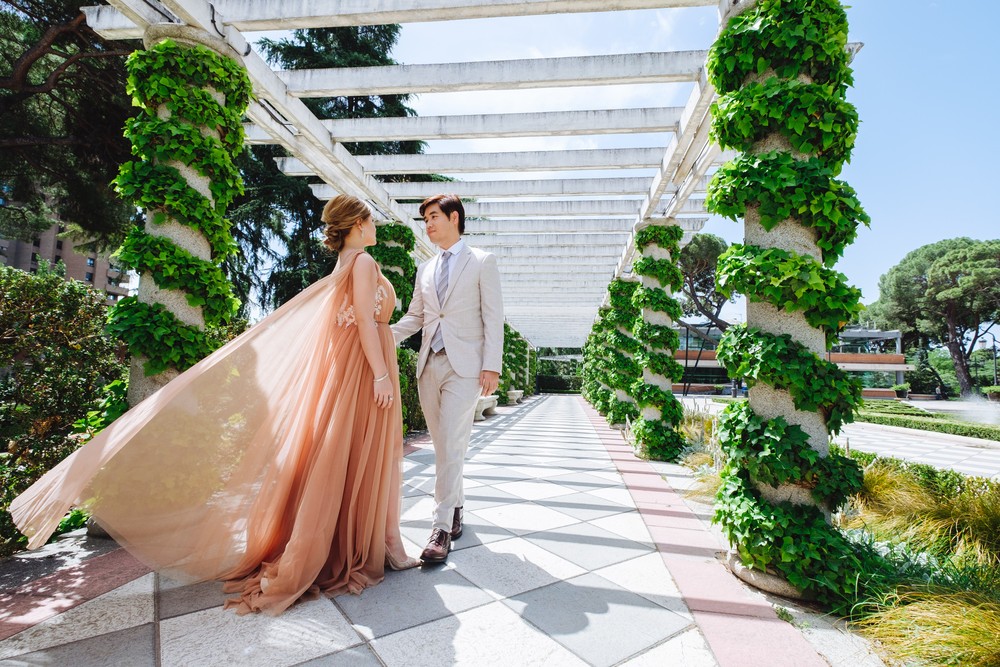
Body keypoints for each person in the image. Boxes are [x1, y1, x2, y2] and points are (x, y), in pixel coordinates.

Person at [9, 194, 419, 616]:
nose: (374, 226)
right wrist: (382, 376)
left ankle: (362, 541)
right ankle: (374, 545)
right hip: (364, 368)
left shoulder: (344, 265)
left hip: (349, 367)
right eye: (370, 219)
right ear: (354, 224)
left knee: (348, 453)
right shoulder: (364, 264)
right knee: (365, 454)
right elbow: (368, 324)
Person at [392, 194, 504, 563]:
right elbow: (415, 318)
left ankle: (440, 529)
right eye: (425, 219)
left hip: (466, 368)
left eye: (433, 217)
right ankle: (455, 507)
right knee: (444, 446)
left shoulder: (482, 262)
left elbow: (493, 317)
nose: (428, 225)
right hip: (430, 364)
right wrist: (377, 334)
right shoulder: (425, 269)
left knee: (452, 444)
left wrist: (492, 365)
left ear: (454, 217)